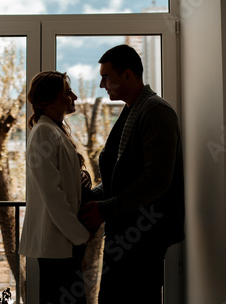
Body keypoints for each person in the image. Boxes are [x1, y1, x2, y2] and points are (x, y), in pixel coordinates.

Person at [79, 45, 185, 304]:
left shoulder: (156, 111)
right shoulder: (132, 110)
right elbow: (120, 174)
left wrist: (104, 209)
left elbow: (156, 180)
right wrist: (91, 197)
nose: (102, 84)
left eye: (106, 76)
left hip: (143, 239)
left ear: (128, 75)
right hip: (126, 234)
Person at [19, 71, 93, 304]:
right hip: (59, 243)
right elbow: (52, 194)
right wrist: (80, 235)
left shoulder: (53, 130)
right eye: (67, 92)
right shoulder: (43, 132)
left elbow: (60, 183)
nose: (75, 97)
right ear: (49, 100)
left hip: (63, 243)